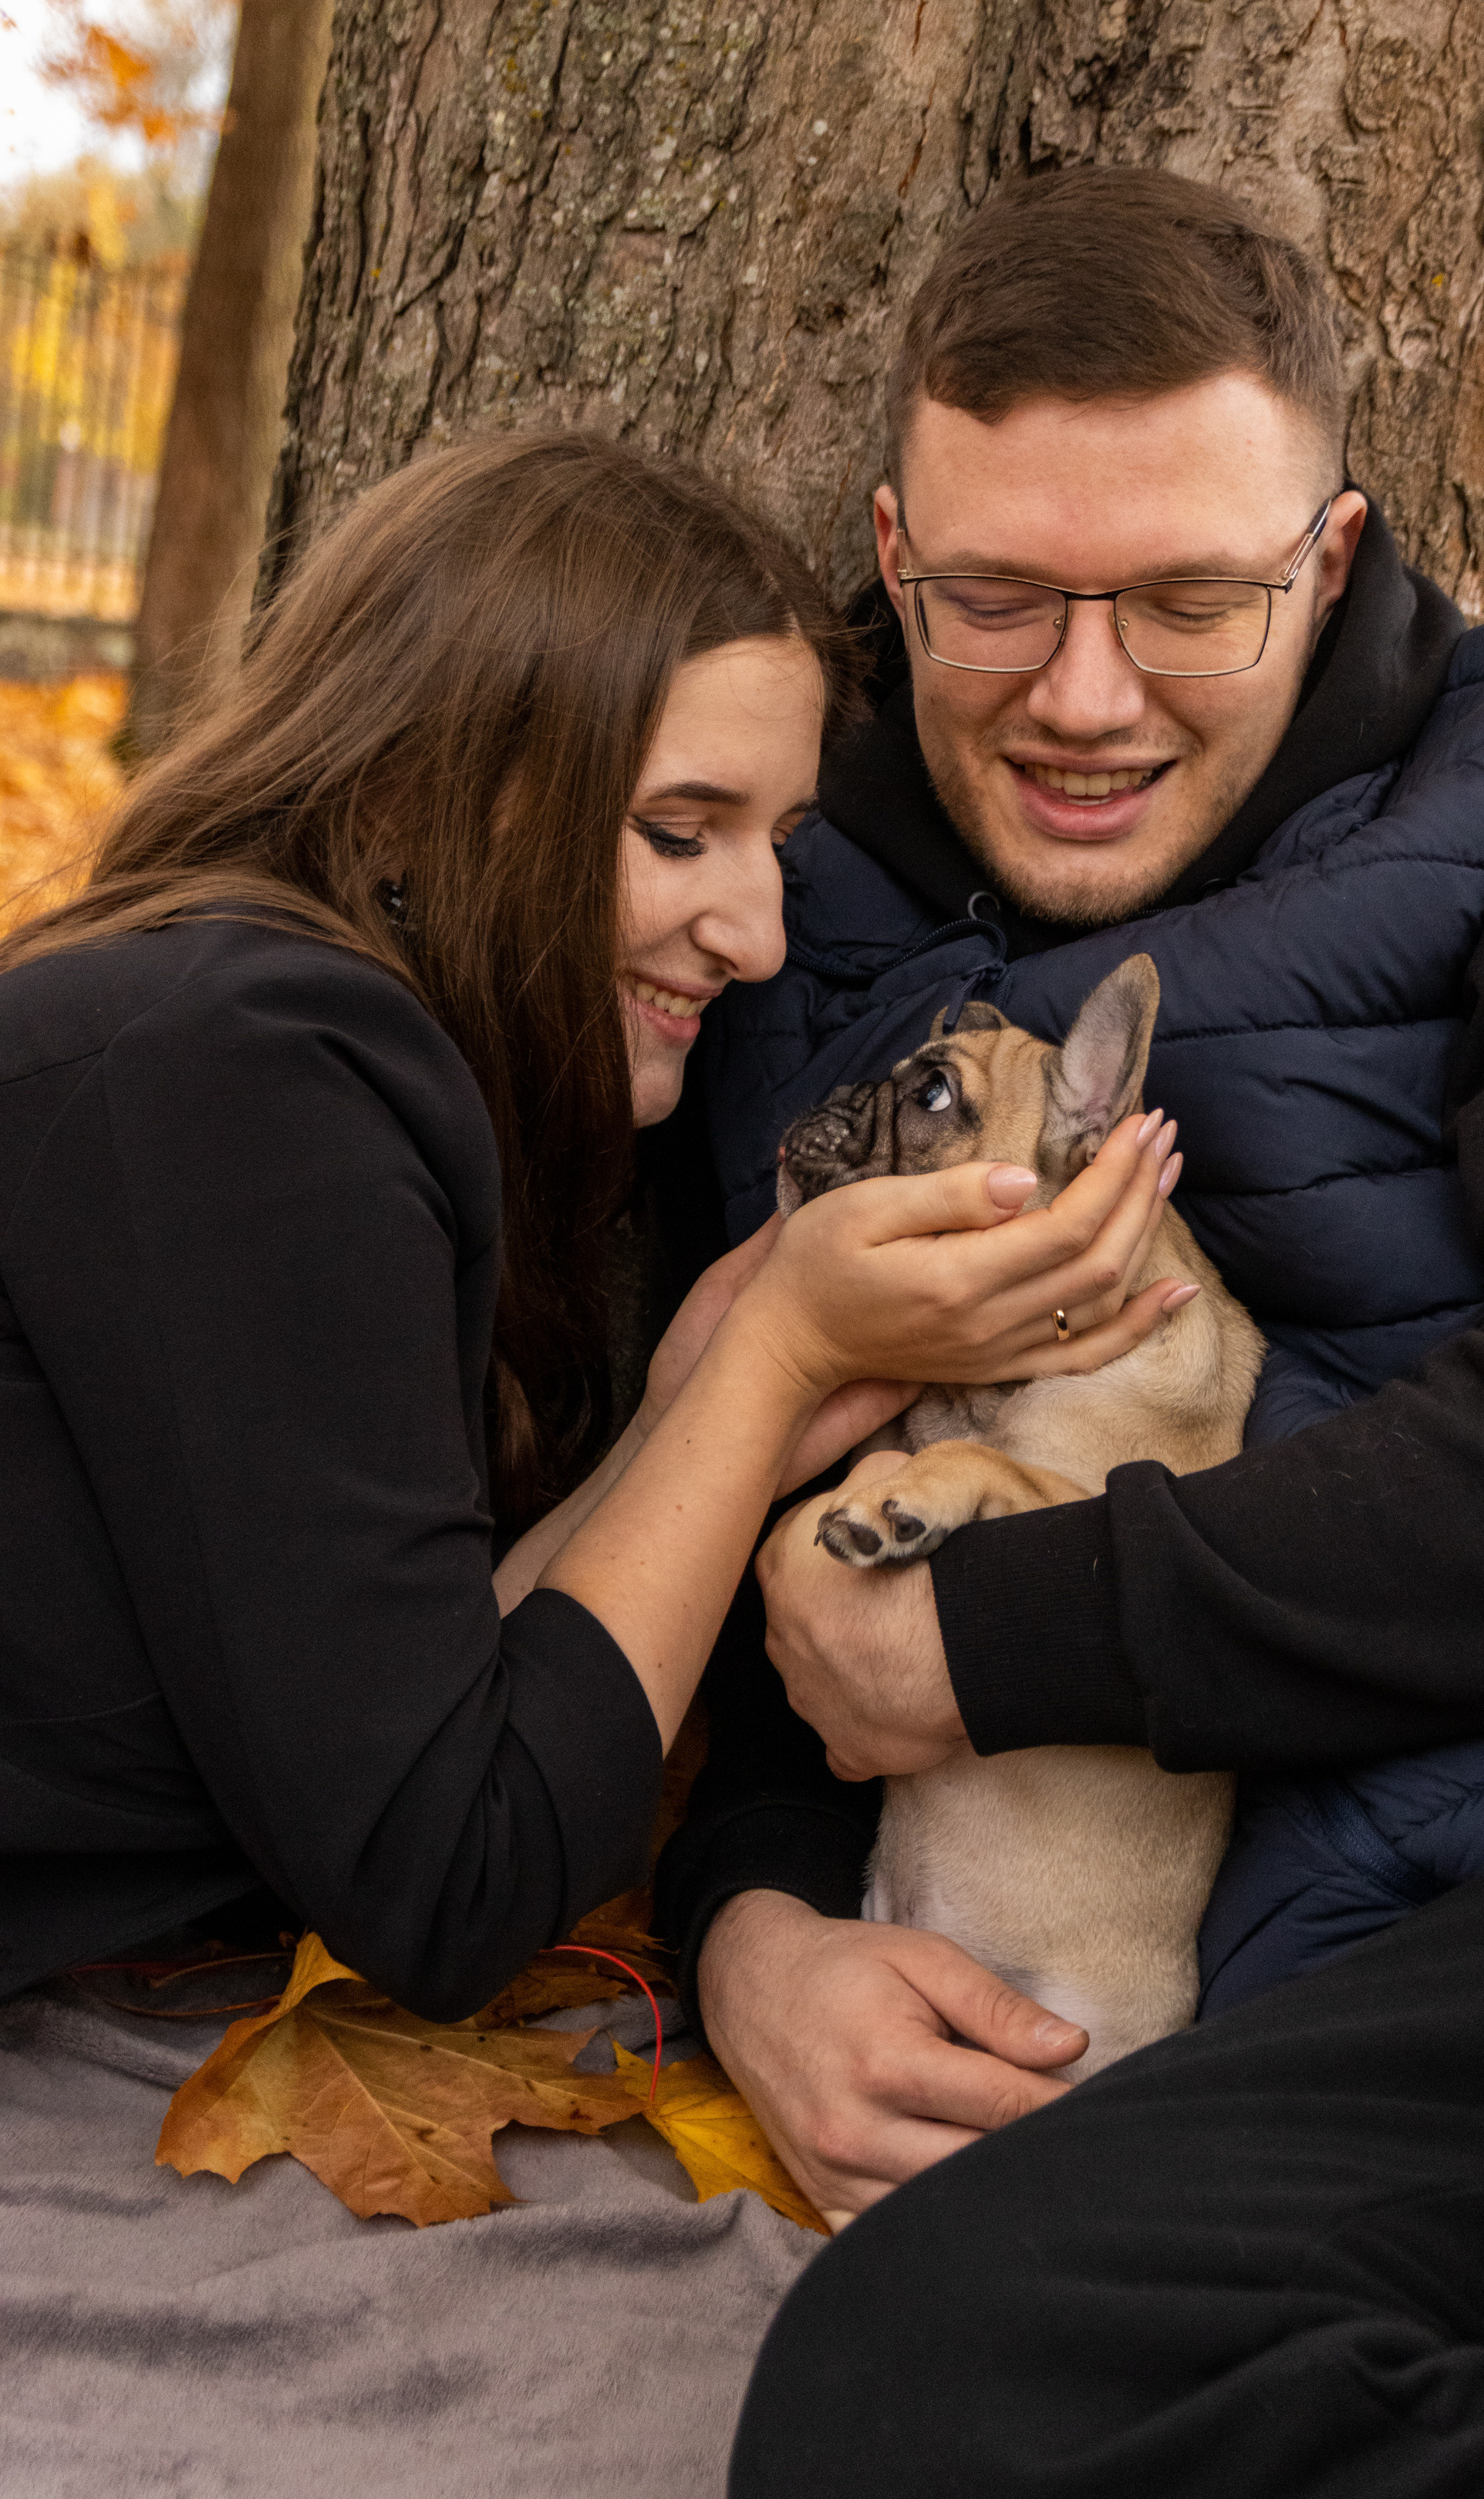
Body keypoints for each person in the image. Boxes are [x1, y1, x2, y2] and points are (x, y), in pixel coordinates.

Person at [647, 173, 1484, 2486]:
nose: (1084, 698)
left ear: (1331, 552)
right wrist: (754, 1937)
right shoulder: (765, 926)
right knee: (933, 2383)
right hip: (1321, 2044)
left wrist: (1031, 1620)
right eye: (998, 598)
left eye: (1195, 600)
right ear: (896, 557)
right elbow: (789, 1590)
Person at [0, 430, 1185, 2015]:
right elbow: (454, 1881)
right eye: (679, 832)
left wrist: (712, 1410)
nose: (758, 936)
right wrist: (777, 1351)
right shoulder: (252, 1073)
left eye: (779, 846)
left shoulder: (270, 1040)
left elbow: (421, 1738)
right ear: (431, 789)